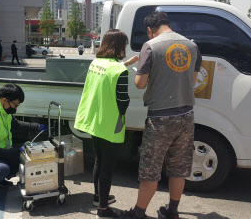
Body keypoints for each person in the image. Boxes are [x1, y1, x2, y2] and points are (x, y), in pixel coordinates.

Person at [123, 12, 202, 219]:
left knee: (150, 168)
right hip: (186, 114)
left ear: (150, 30)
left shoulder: (151, 46)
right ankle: (172, 212)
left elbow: (140, 83)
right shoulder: (192, 46)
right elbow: (192, 81)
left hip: (160, 117)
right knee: (179, 167)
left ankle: (138, 213)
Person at [74, 29, 139, 218]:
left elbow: (108, 73)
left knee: (98, 161)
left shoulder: (96, 63)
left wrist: (128, 63)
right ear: (119, 46)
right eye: (124, 45)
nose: (125, 49)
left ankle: (97, 197)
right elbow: (123, 101)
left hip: (94, 121)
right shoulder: (119, 71)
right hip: (111, 124)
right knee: (107, 168)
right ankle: (103, 209)